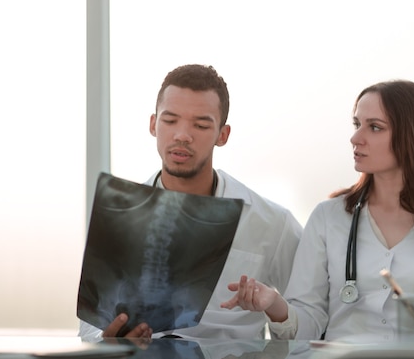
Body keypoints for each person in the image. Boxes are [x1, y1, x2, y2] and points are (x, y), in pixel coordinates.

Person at [79, 64, 303, 341]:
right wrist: (109, 341)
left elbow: (312, 322)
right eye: (170, 121)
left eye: (200, 125)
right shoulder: (118, 218)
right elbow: (89, 325)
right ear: (153, 124)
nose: (182, 135)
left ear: (223, 134)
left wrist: (276, 309)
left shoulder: (272, 223)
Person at [221, 80, 414, 343]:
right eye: (357, 124)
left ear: (413, 134)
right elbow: (309, 323)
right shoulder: (329, 218)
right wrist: (275, 304)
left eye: (374, 127)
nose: (356, 138)